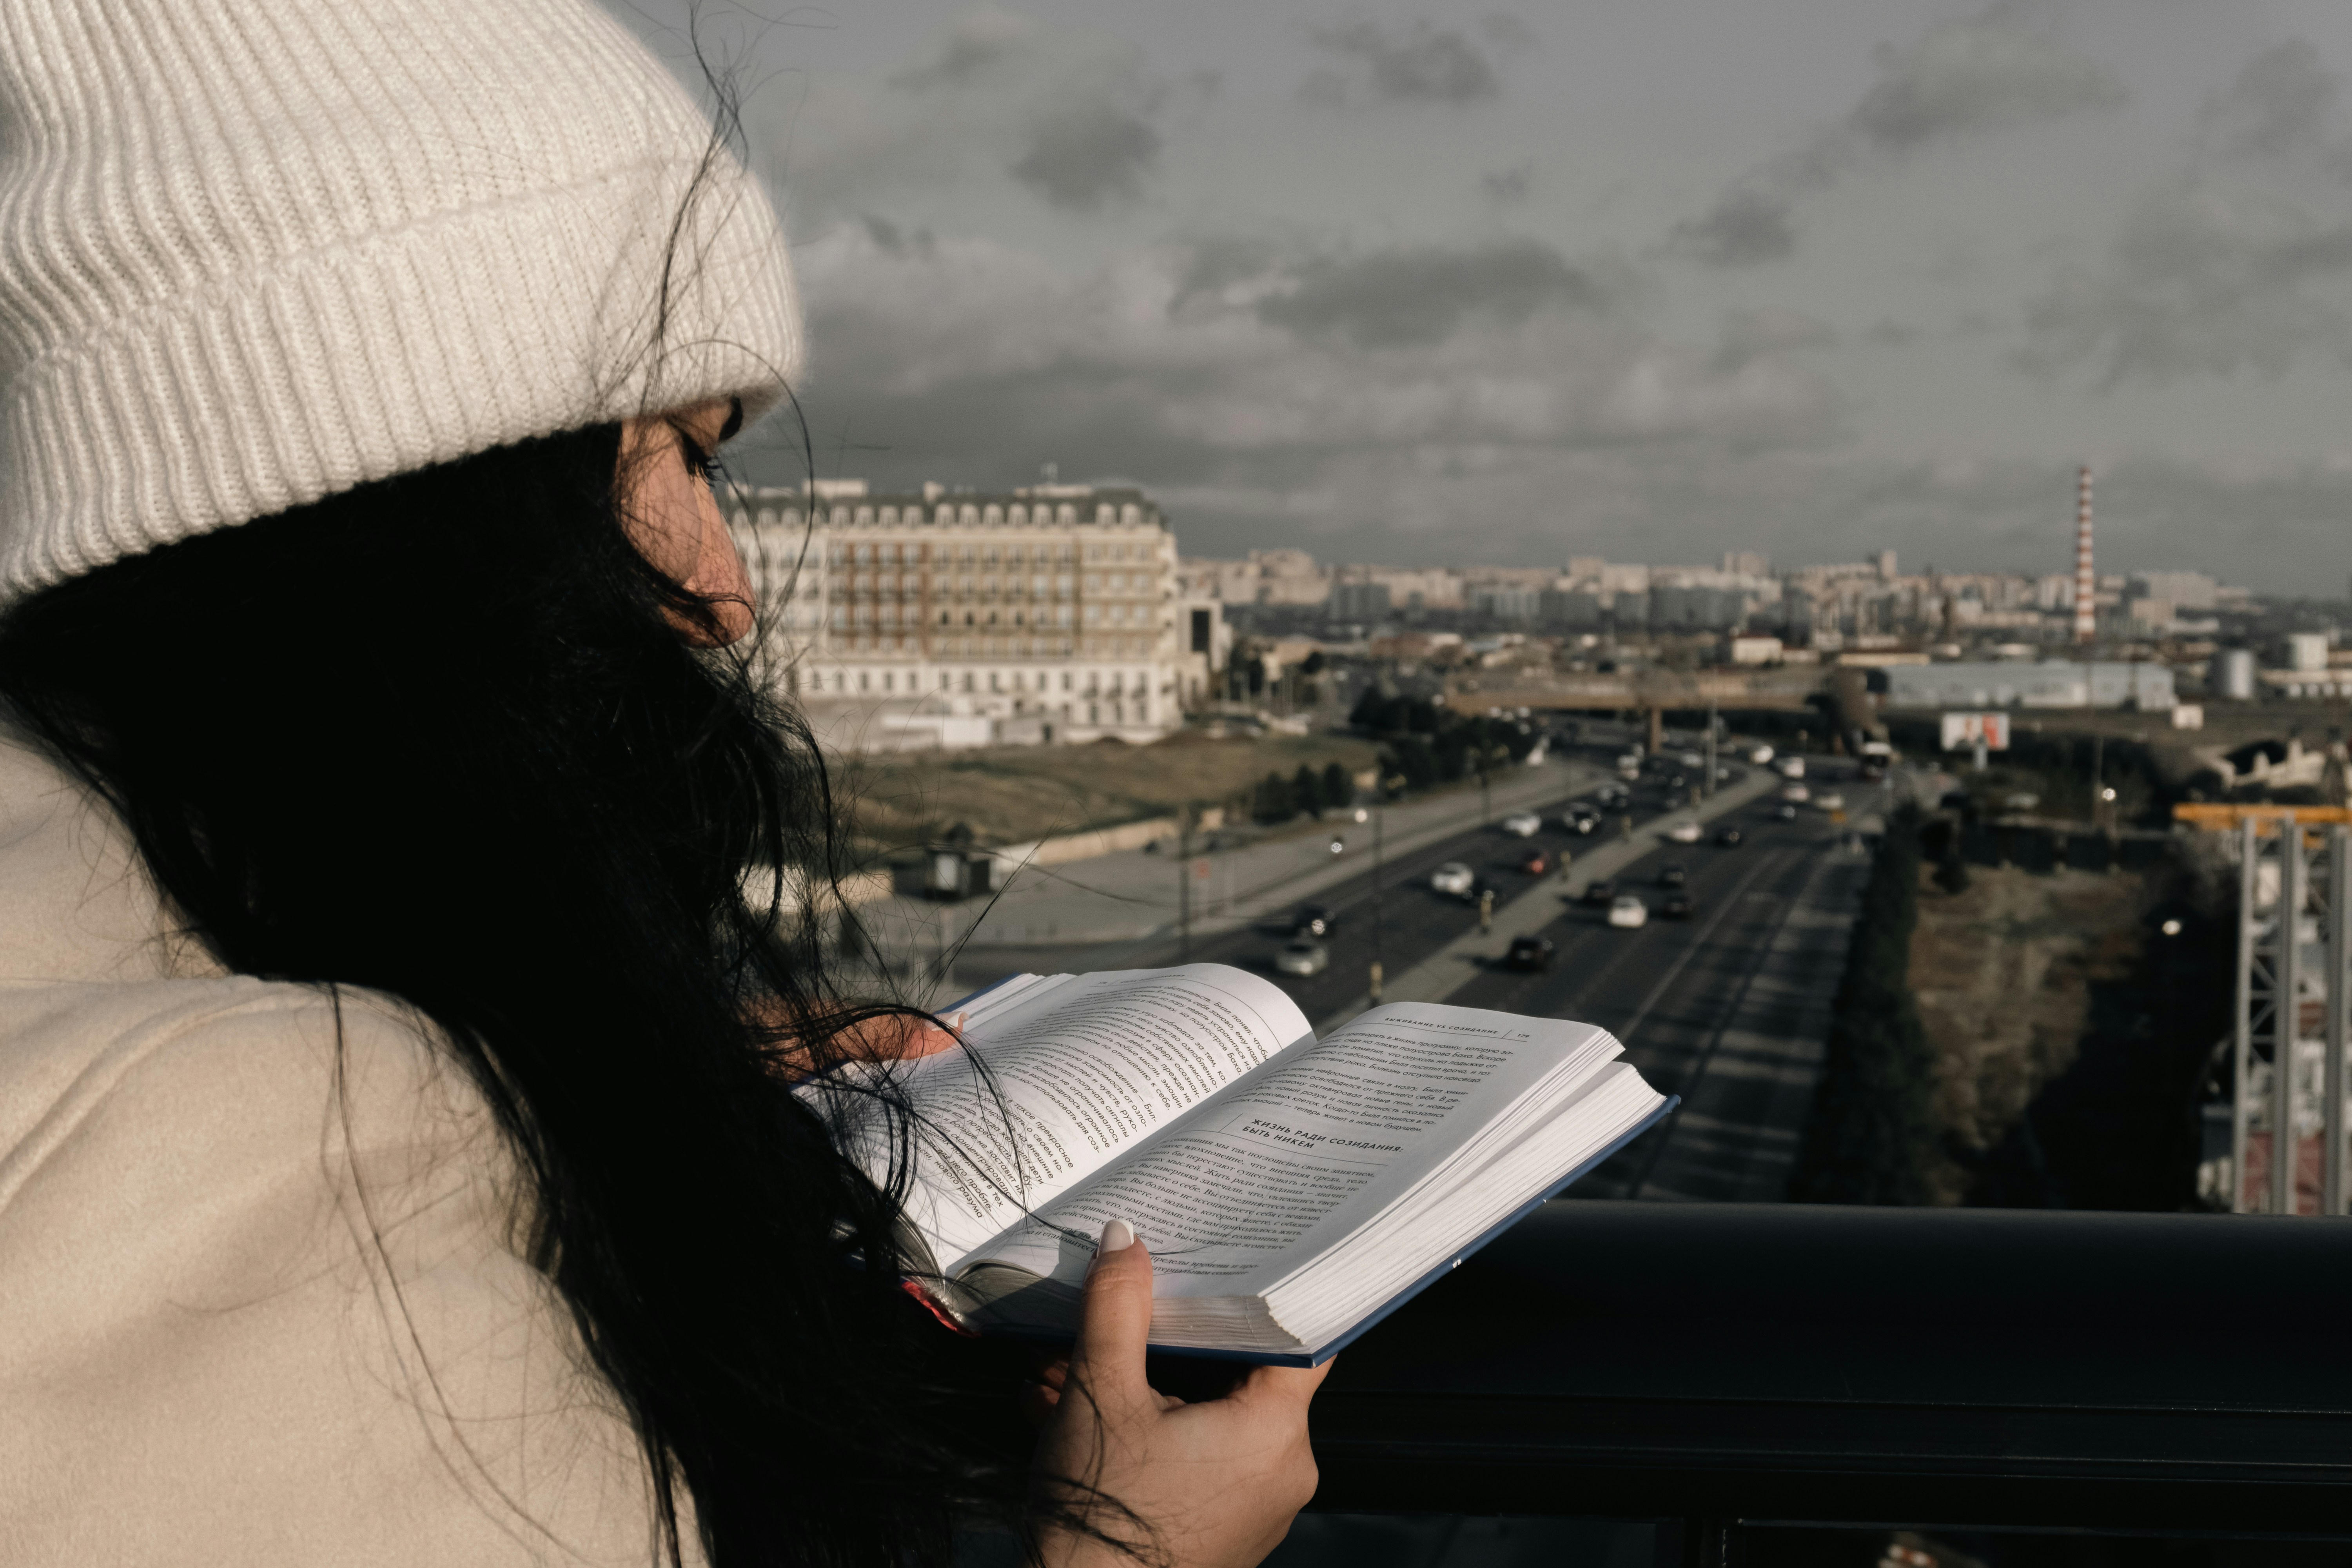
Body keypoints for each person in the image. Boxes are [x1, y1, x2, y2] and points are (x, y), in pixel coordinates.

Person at [0, 2, 1323, 1564]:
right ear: (443, 485)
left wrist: (579, 1059)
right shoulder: (241, 1136)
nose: (724, 589)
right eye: (678, 454)